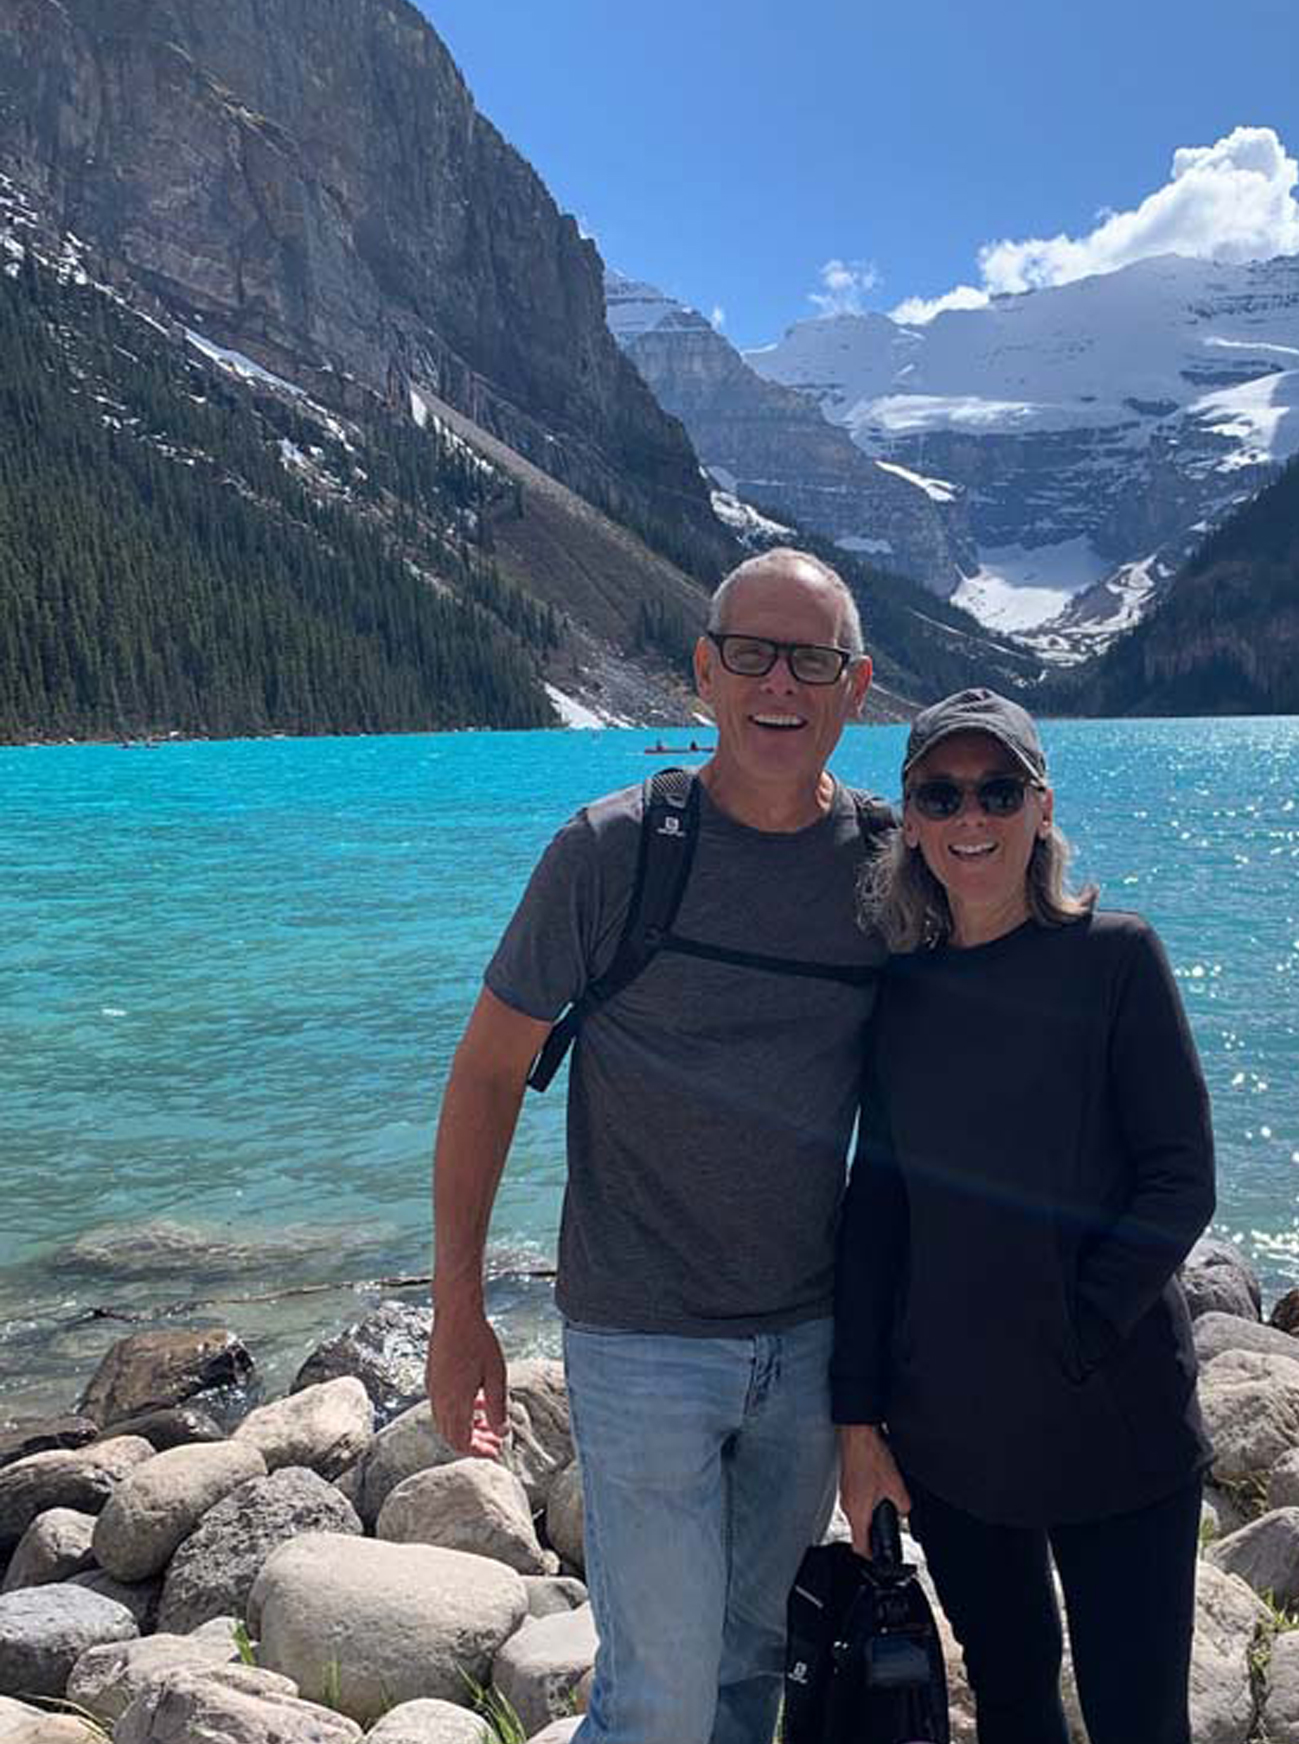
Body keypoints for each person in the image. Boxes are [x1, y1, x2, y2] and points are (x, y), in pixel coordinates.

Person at [425, 547, 887, 1744]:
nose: (778, 683)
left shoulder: (889, 873)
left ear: (857, 685)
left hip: (808, 1334)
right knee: (667, 1701)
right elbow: (484, 1076)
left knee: (745, 1669)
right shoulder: (612, 851)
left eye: (813, 658)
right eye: (751, 652)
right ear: (702, 672)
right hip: (640, 1340)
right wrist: (459, 1310)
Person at [833, 690, 1216, 1744]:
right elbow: (877, 1210)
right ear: (908, 821)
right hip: (951, 1436)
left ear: (1041, 808)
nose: (971, 818)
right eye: (941, 794)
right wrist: (857, 1422)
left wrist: (1080, 1329)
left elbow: (1180, 1178)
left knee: (1141, 1719)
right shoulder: (901, 995)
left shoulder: (1117, 960)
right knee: (1010, 1704)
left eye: (997, 791)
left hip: (1118, 1422)